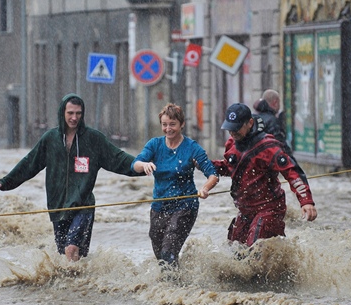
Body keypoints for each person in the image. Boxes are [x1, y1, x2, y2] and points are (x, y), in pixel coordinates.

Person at [0, 93, 141, 261]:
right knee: (67, 258)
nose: (74, 117)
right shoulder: (50, 139)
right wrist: (5, 182)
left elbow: (118, 158)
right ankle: (77, 287)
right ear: (62, 112)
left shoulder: (93, 139)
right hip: (58, 207)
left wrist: (142, 167)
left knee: (71, 249)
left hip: (83, 206)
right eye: (70, 113)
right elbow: (29, 163)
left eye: (78, 113)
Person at [212, 103, 317, 248]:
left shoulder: (268, 146)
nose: (232, 132)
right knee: (234, 251)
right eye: (229, 128)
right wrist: (202, 164)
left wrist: (306, 201)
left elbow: (292, 172)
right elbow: (229, 168)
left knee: (253, 252)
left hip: (269, 209)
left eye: (236, 128)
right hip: (245, 210)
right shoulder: (231, 143)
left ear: (249, 123)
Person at [132, 103, 219, 267]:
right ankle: (177, 283)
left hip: (185, 206)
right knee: (161, 256)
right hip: (159, 207)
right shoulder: (154, 145)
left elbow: (213, 174)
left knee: (168, 251)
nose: (168, 129)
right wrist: (144, 165)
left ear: (182, 124)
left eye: (172, 124)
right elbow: (135, 163)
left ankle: (173, 290)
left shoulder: (192, 148)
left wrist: (205, 188)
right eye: (164, 125)